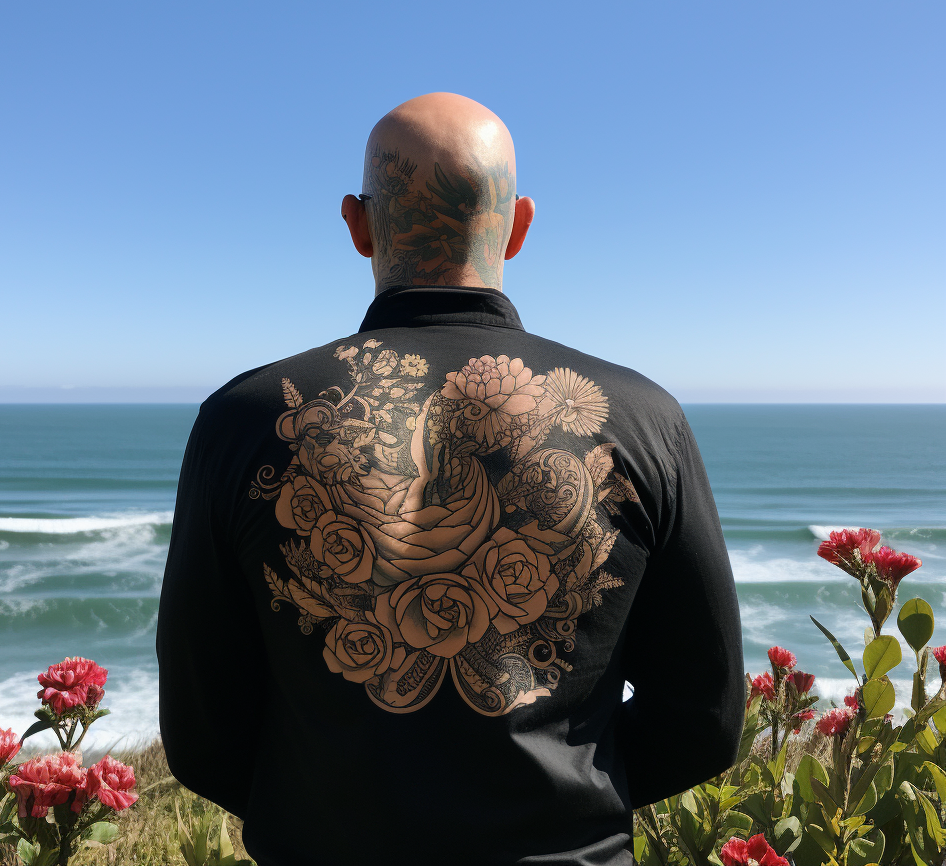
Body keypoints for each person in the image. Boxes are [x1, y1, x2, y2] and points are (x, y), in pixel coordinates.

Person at [156, 92, 745, 866]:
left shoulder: (242, 419)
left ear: (358, 225)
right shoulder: (643, 418)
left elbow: (202, 729)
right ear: (519, 225)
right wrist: (571, 800)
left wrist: (316, 809)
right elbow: (705, 717)